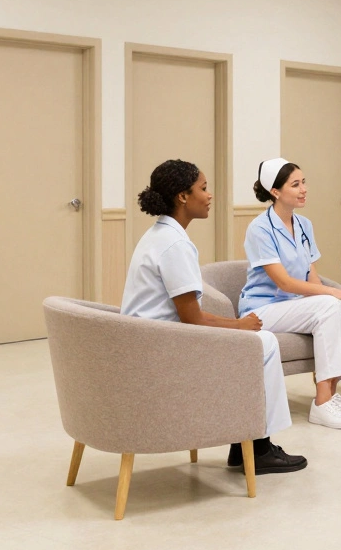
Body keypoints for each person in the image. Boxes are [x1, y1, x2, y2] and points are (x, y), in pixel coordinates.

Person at [121, 159, 306, 474]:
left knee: (258, 342)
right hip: (161, 353)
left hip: (148, 344)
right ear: (183, 196)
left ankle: (244, 444)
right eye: (203, 189)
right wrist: (239, 325)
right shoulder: (175, 245)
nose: (209, 195)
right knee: (264, 343)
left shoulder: (159, 235)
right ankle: (258, 447)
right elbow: (192, 319)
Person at [239, 158, 341, 430]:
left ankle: (331, 393)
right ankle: (320, 403)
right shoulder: (259, 229)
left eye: (304, 182)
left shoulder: (304, 224)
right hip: (263, 309)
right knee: (332, 303)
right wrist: (332, 293)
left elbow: (310, 276)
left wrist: (332, 296)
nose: (304, 189)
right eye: (295, 184)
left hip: (292, 307)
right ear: (275, 192)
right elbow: (284, 283)